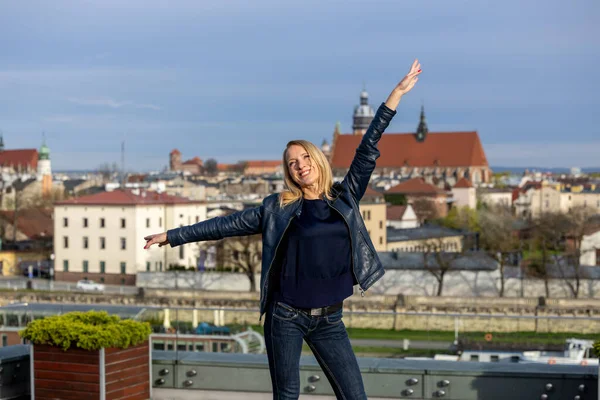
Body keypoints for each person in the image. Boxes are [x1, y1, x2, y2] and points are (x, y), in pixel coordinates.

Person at [144, 59, 421, 399]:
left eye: (304, 158)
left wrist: (394, 96)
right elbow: (224, 225)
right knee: (287, 395)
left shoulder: (345, 196)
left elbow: (366, 150)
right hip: (285, 316)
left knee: (354, 396)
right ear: (289, 172)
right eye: (292, 163)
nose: (300, 165)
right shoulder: (278, 208)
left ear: (317, 161)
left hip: (331, 319)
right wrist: (172, 236)